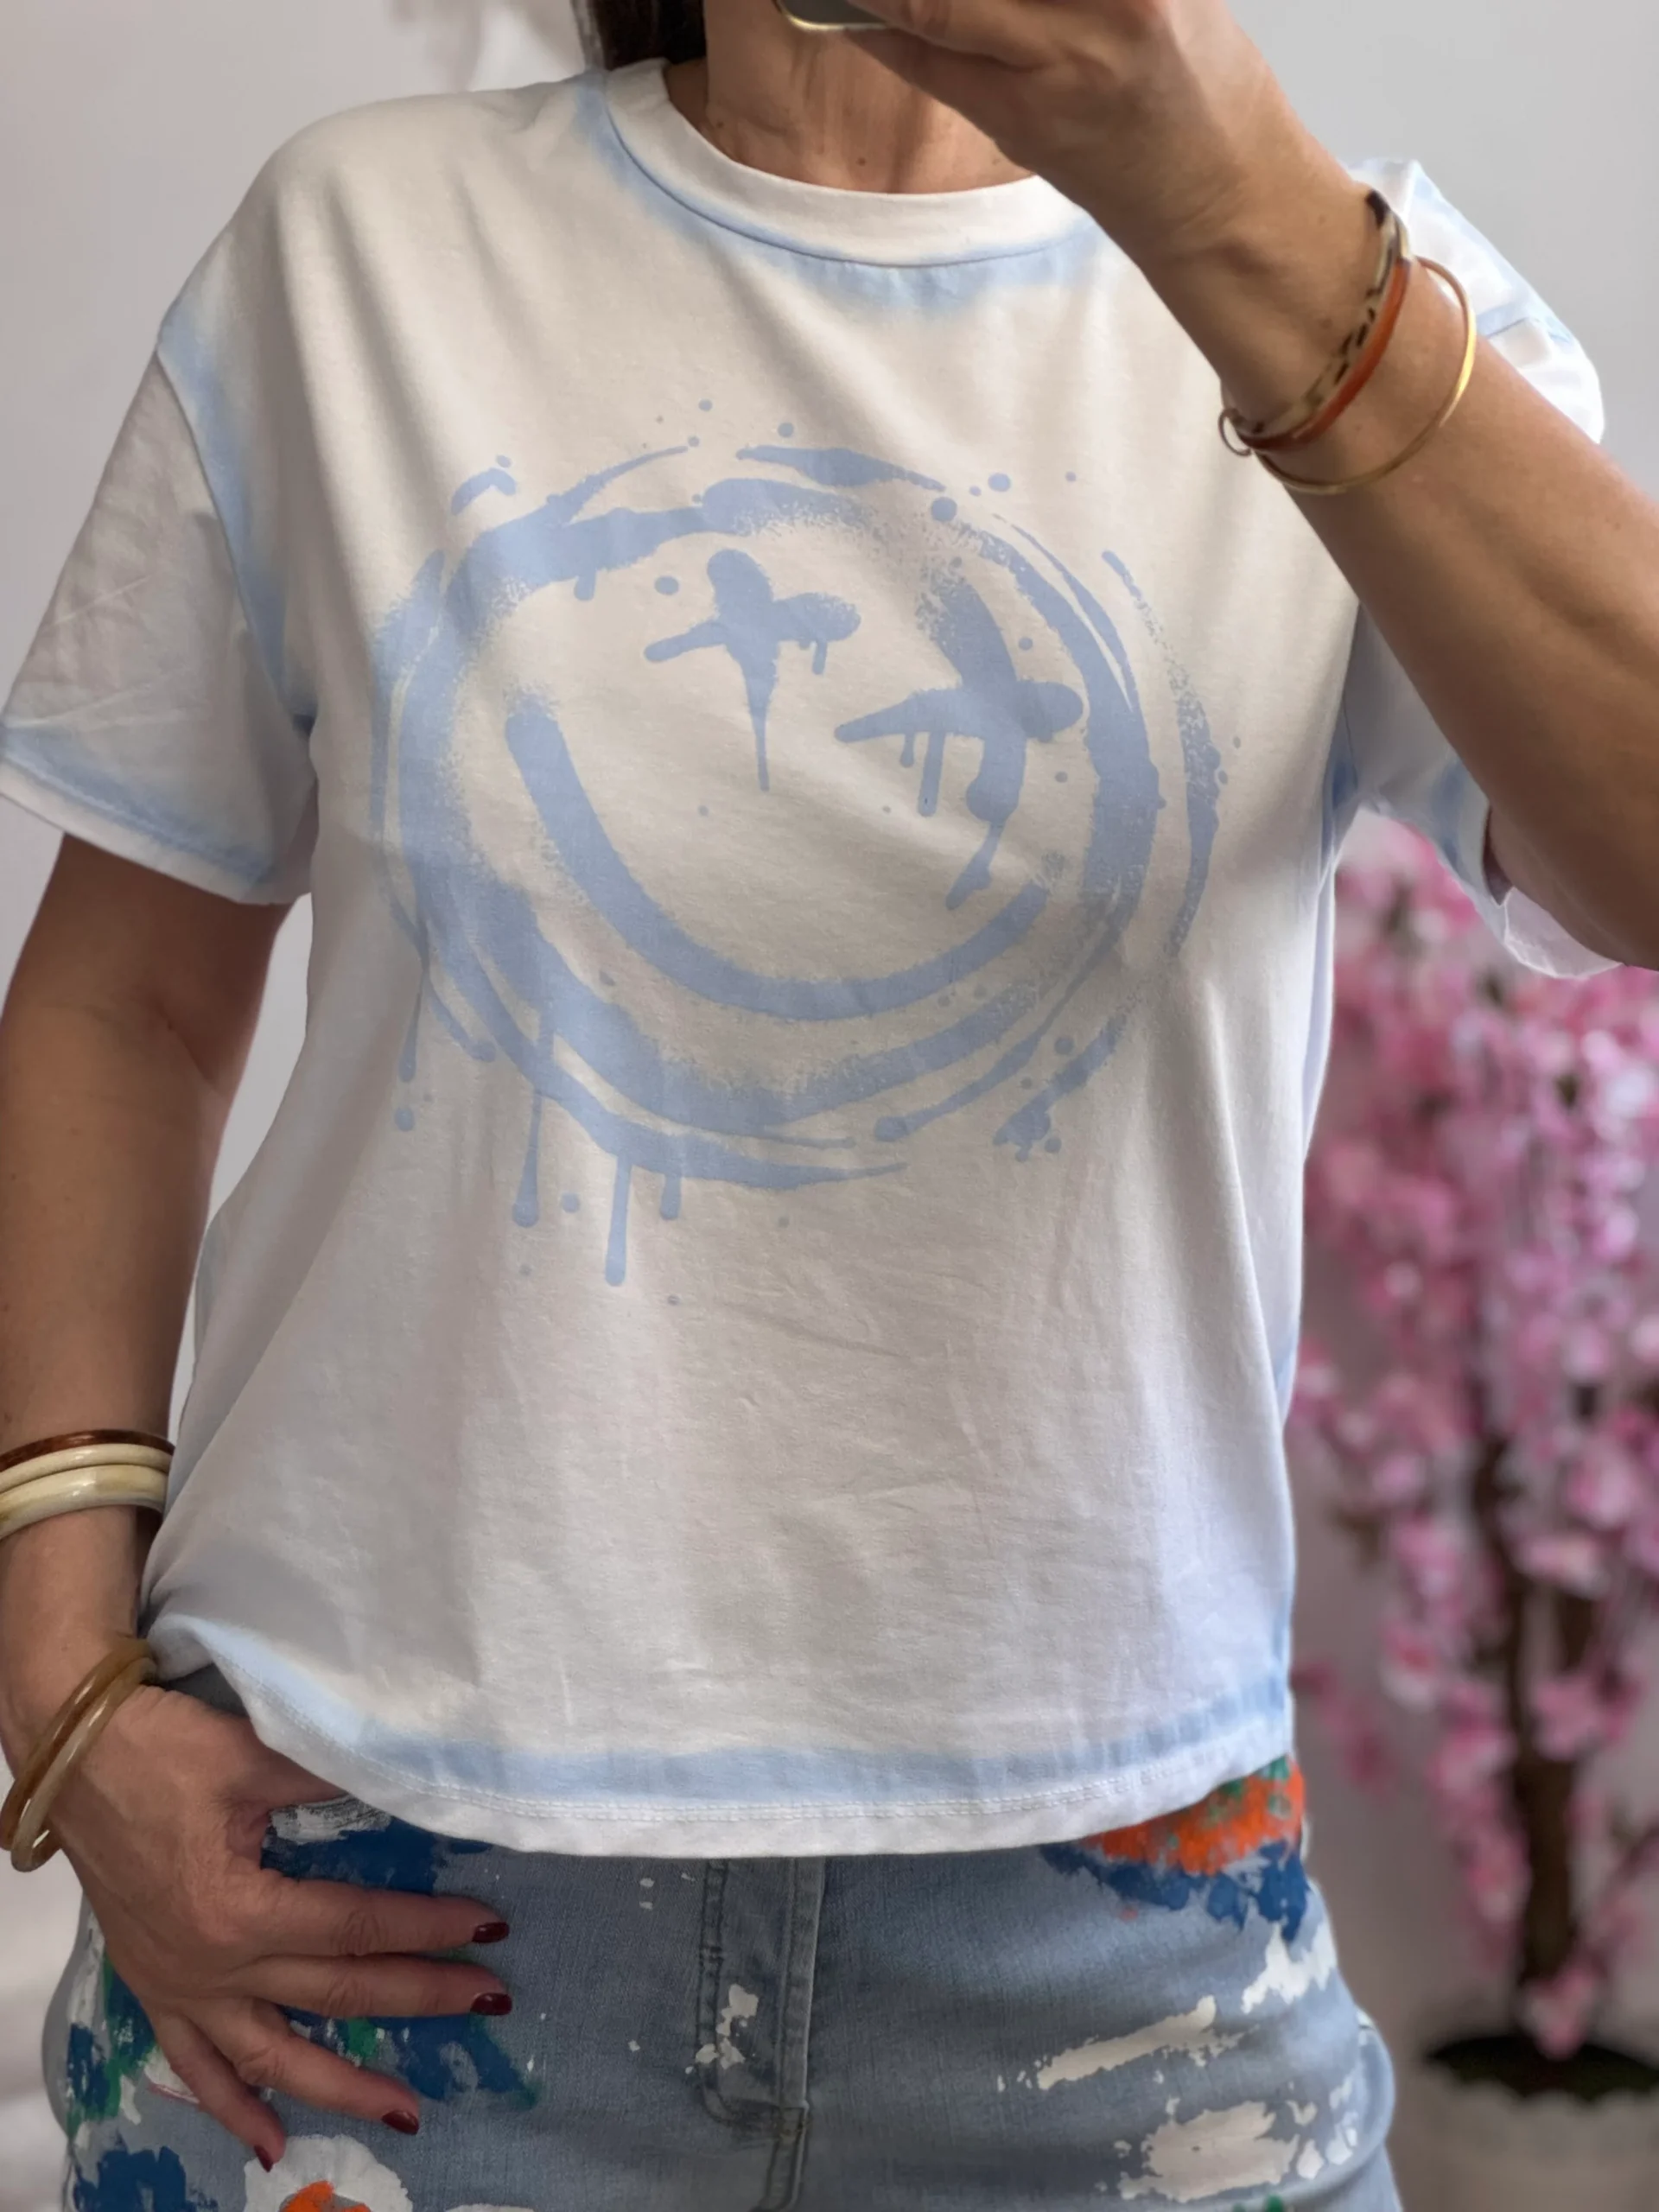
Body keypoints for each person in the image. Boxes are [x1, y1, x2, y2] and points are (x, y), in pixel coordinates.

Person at [1, 0, 1656, 2202]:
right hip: (363, 1899)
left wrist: (1225, 204)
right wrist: (57, 1669)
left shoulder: (1342, 286)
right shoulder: (359, 253)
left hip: (1119, 1917)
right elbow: (124, 1004)